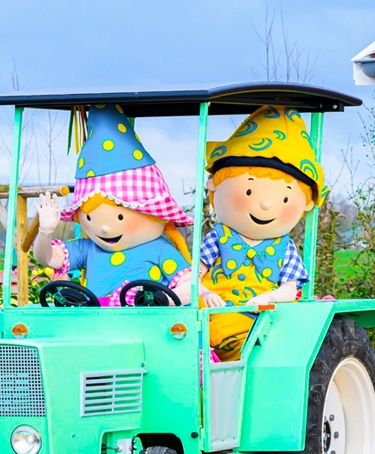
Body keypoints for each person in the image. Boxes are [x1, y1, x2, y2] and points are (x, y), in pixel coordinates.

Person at [33, 104, 194, 305]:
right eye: (89, 217)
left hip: (145, 319)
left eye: (120, 217)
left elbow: (190, 285)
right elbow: (47, 258)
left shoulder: (159, 249)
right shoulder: (88, 248)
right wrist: (45, 232)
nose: (105, 228)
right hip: (96, 321)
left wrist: (164, 300)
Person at [199, 105, 325, 360]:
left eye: (285, 198)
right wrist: (205, 293)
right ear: (214, 186)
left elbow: (289, 289)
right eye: (248, 191)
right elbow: (193, 277)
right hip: (211, 318)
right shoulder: (218, 237)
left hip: (259, 323)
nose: (266, 205)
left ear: (306, 203)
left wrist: (268, 297)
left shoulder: (285, 247)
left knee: (260, 352)